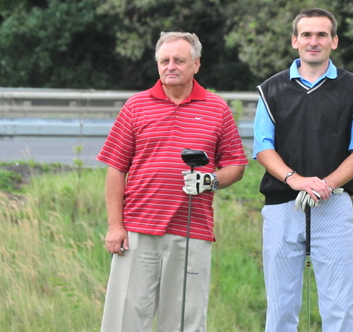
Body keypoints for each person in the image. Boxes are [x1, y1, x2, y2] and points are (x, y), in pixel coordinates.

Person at [97, 31, 248, 332]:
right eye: (164, 61)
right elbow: (115, 168)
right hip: (137, 230)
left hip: (192, 231)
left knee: (184, 322)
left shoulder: (217, 109)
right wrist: (115, 226)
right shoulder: (135, 106)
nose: (170, 66)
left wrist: (210, 180)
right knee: (125, 319)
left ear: (196, 64)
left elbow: (236, 165)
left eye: (178, 60)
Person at [253, 8, 353, 332]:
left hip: (333, 203)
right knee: (280, 308)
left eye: (322, 34)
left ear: (334, 41)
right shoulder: (271, 89)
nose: (313, 41)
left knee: (340, 307)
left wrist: (326, 184)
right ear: (295, 40)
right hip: (282, 205)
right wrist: (296, 180)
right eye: (306, 34)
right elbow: (263, 149)